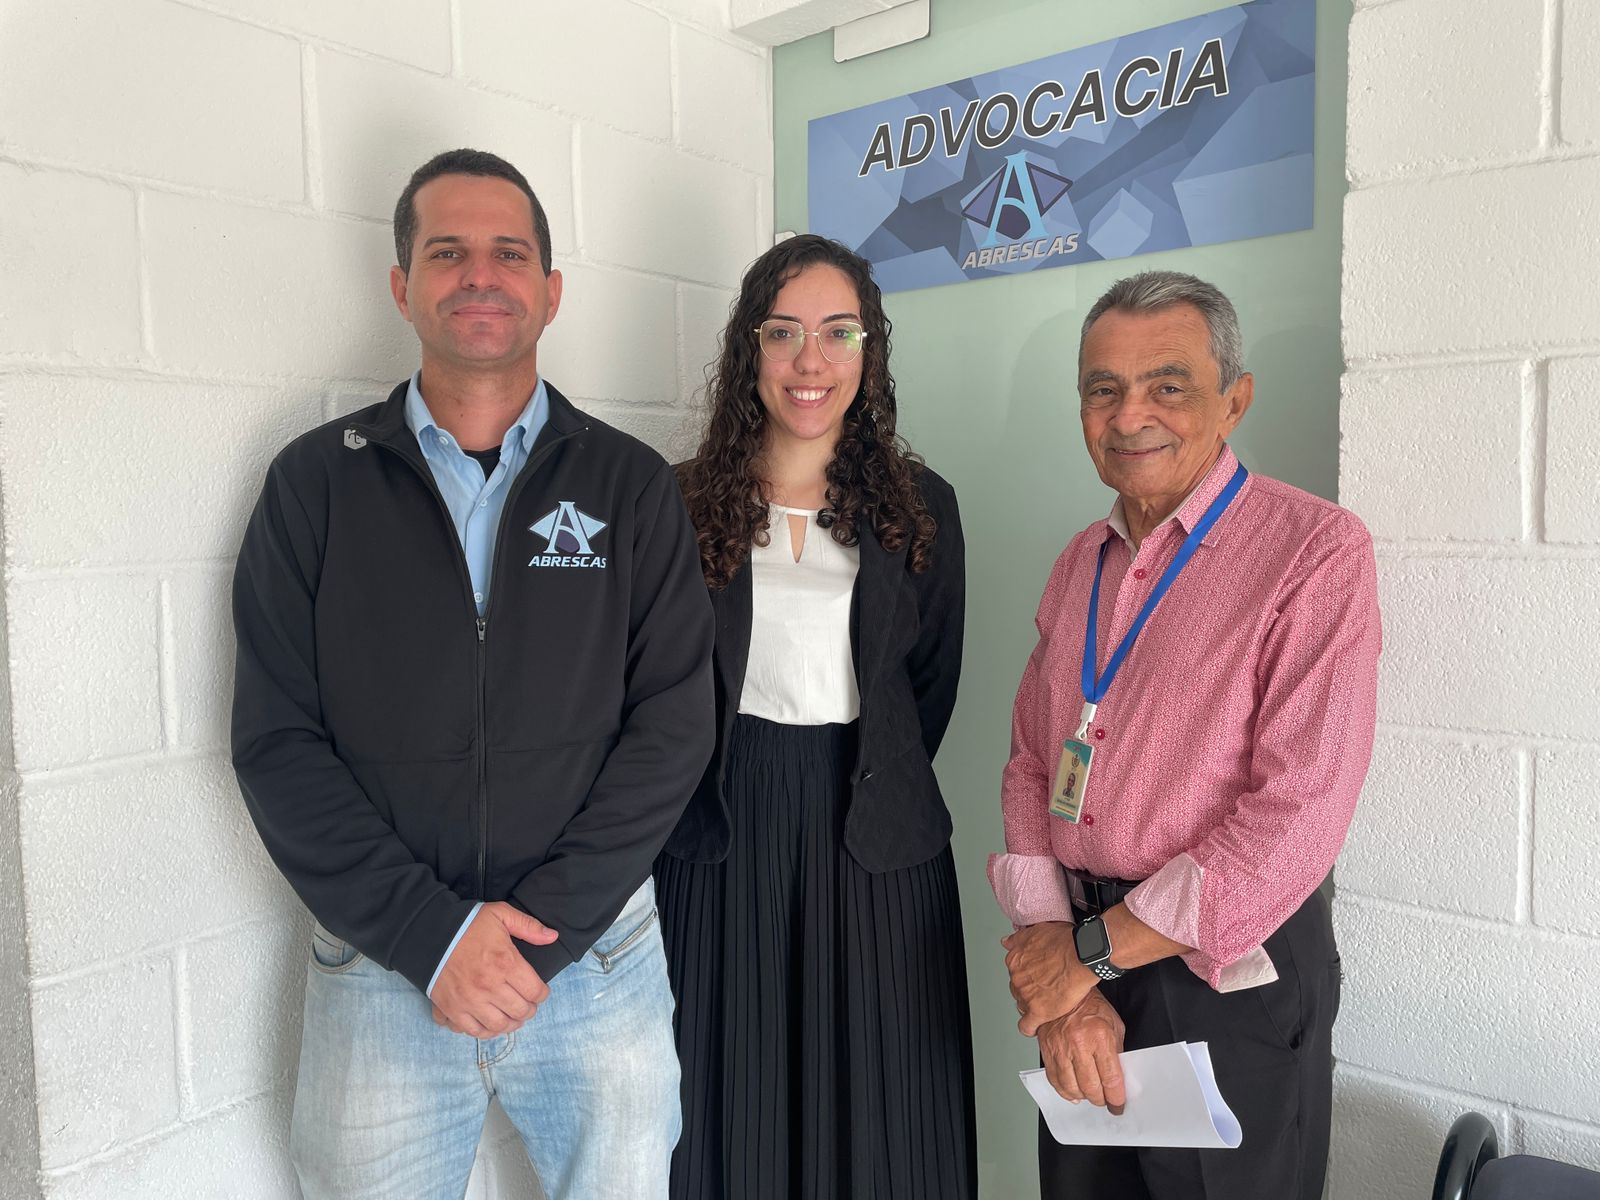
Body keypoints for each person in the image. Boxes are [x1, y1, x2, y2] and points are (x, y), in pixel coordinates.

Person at [230, 148, 714, 1200]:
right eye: (447, 252)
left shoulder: (629, 487)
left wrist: (539, 938)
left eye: (509, 253)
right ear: (401, 285)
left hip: (595, 959)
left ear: (551, 289)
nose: (480, 275)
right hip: (383, 964)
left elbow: (673, 726)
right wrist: (433, 936)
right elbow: (276, 743)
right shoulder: (313, 486)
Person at [990, 270, 1381, 1200]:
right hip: (1079, 963)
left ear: (1233, 400)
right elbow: (1033, 764)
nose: (1131, 415)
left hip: (1221, 977)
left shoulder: (1314, 551)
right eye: (1103, 389)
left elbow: (1298, 815)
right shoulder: (1080, 562)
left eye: (1168, 385)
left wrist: (1088, 953)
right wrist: (1064, 966)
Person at [656, 233, 976, 1199]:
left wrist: (869, 768)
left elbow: (927, 687)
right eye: (783, 331)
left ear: (869, 350)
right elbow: (652, 686)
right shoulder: (679, 503)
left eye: (839, 332)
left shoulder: (921, 507)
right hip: (722, 826)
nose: (811, 360)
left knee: (885, 1111)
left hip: (873, 827)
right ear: (748, 349)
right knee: (730, 1094)